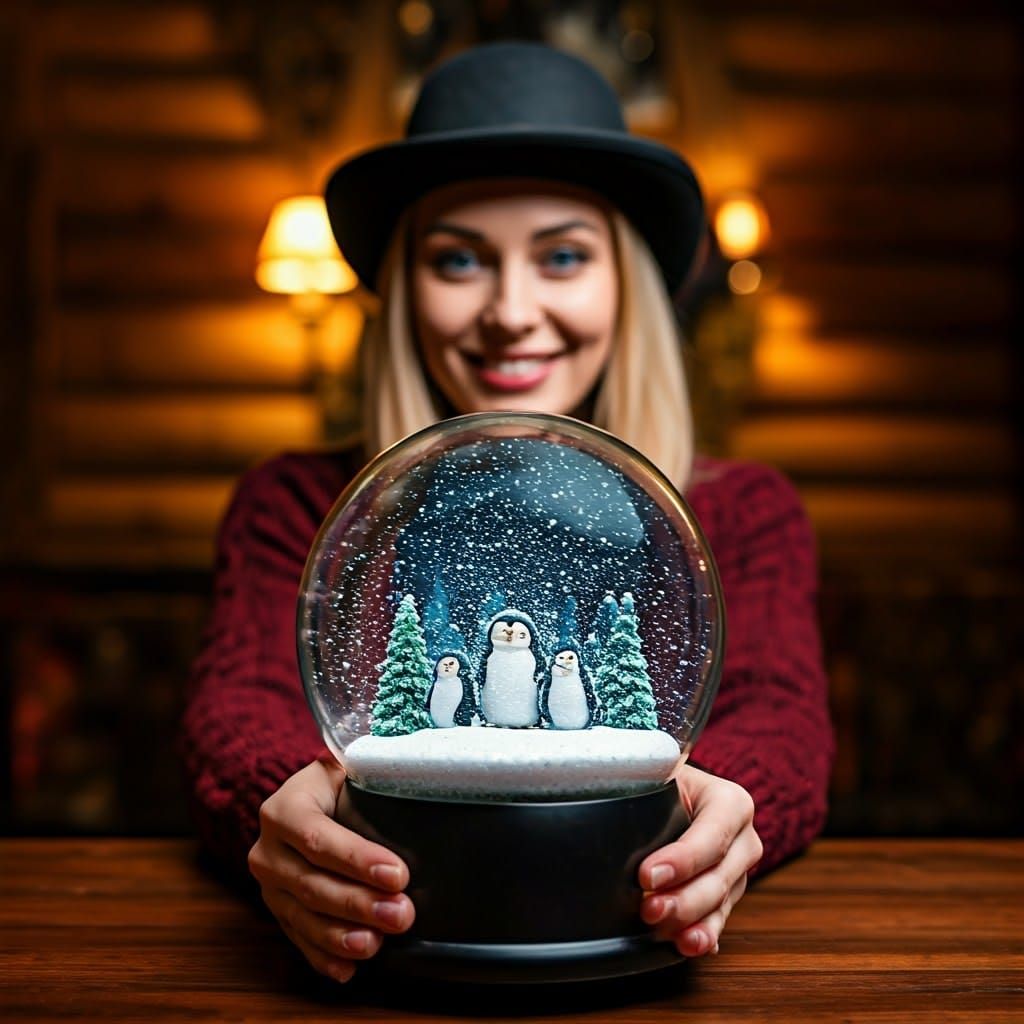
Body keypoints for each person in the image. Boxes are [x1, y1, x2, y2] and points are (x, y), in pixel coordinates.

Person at [181, 42, 833, 985]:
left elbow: (779, 718)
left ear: (626, 284)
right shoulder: (297, 504)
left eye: (562, 255)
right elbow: (240, 707)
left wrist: (731, 816)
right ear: (405, 290)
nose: (510, 311)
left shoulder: (739, 514)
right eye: (459, 259)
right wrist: (289, 819)